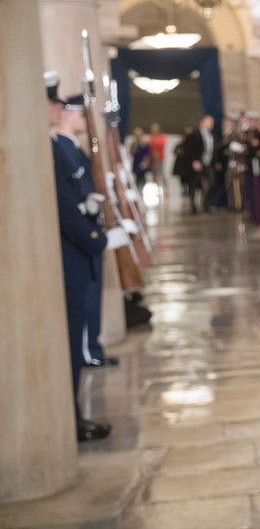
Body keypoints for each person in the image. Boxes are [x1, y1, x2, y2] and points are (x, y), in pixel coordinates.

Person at [46, 72, 115, 442]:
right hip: (71, 250)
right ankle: (68, 418)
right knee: (71, 338)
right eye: (53, 103)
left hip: (77, 250)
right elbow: (64, 206)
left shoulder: (61, 147)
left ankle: (72, 415)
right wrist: (96, 239)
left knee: (75, 336)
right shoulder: (54, 147)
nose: (56, 108)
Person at [181, 116, 215, 213]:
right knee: (194, 185)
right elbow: (188, 149)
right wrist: (194, 161)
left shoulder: (211, 136)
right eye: (208, 122)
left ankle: (206, 204)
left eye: (211, 123)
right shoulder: (194, 135)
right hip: (196, 163)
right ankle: (193, 206)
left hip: (208, 163)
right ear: (202, 122)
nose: (210, 125)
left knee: (211, 182)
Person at [129, 127, 151, 192]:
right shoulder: (134, 144)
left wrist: (145, 162)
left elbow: (147, 154)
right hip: (136, 162)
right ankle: (137, 190)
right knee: (137, 177)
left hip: (142, 162)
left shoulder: (145, 144)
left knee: (143, 177)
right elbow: (131, 153)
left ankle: (143, 190)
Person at [148, 122, 166, 192]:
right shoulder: (151, 137)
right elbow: (150, 147)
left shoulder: (162, 137)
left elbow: (161, 146)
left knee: (161, 173)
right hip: (152, 158)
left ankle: (165, 189)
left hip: (159, 159)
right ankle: (156, 189)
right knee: (154, 174)